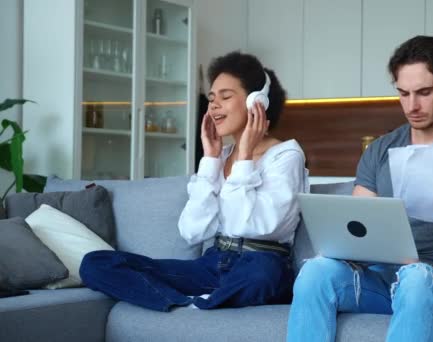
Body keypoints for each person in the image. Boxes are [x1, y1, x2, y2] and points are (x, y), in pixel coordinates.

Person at [287, 36, 433, 342]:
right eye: (403, 93)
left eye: (424, 92)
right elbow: (354, 233)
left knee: (417, 277)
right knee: (315, 273)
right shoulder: (381, 150)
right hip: (384, 282)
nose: (412, 106)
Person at [80, 51, 308, 312]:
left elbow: (256, 226)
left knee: (262, 277)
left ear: (257, 102)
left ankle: (200, 301)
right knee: (95, 263)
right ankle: (186, 304)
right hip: (213, 264)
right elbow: (192, 232)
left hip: (261, 262)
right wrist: (210, 160)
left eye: (225, 97)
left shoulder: (287, 155)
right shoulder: (220, 157)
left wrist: (244, 156)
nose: (213, 106)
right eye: (211, 99)